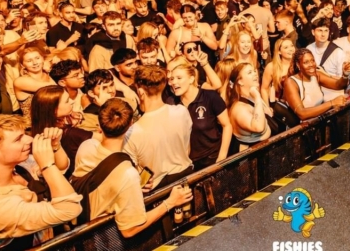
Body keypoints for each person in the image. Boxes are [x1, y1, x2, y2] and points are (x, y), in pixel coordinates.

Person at [72, 99, 193, 236]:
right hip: (105, 238)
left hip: (81, 232)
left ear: (99, 124)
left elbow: (102, 190)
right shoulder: (127, 174)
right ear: (130, 124)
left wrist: (135, 189)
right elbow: (129, 230)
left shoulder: (86, 147)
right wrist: (170, 203)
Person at [0, 115, 83, 248]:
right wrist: (47, 165)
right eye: (18, 139)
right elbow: (70, 210)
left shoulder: (12, 167)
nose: (30, 139)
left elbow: (59, 169)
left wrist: (55, 146)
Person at [124, 66, 193, 189]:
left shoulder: (132, 132)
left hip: (159, 190)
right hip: (187, 179)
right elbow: (187, 149)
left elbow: (133, 176)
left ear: (140, 92)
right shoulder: (181, 112)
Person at [166, 64, 233, 169]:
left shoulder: (210, 97)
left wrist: (222, 157)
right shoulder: (171, 103)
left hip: (212, 157)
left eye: (179, 78)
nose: (174, 82)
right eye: (172, 79)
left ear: (191, 79)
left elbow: (227, 125)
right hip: (188, 163)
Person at [283, 49, 348, 121]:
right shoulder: (291, 82)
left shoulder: (316, 75)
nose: (311, 64)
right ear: (298, 65)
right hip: (302, 125)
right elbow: (302, 113)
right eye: (306, 62)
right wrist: (331, 103)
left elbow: (339, 85)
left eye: (312, 60)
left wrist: (345, 74)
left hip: (319, 121)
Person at [227, 62, 270, 150]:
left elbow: (269, 114)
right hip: (253, 155)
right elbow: (258, 127)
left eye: (254, 71)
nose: (255, 74)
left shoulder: (252, 97)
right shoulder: (239, 108)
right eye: (250, 72)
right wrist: (257, 97)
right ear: (240, 81)